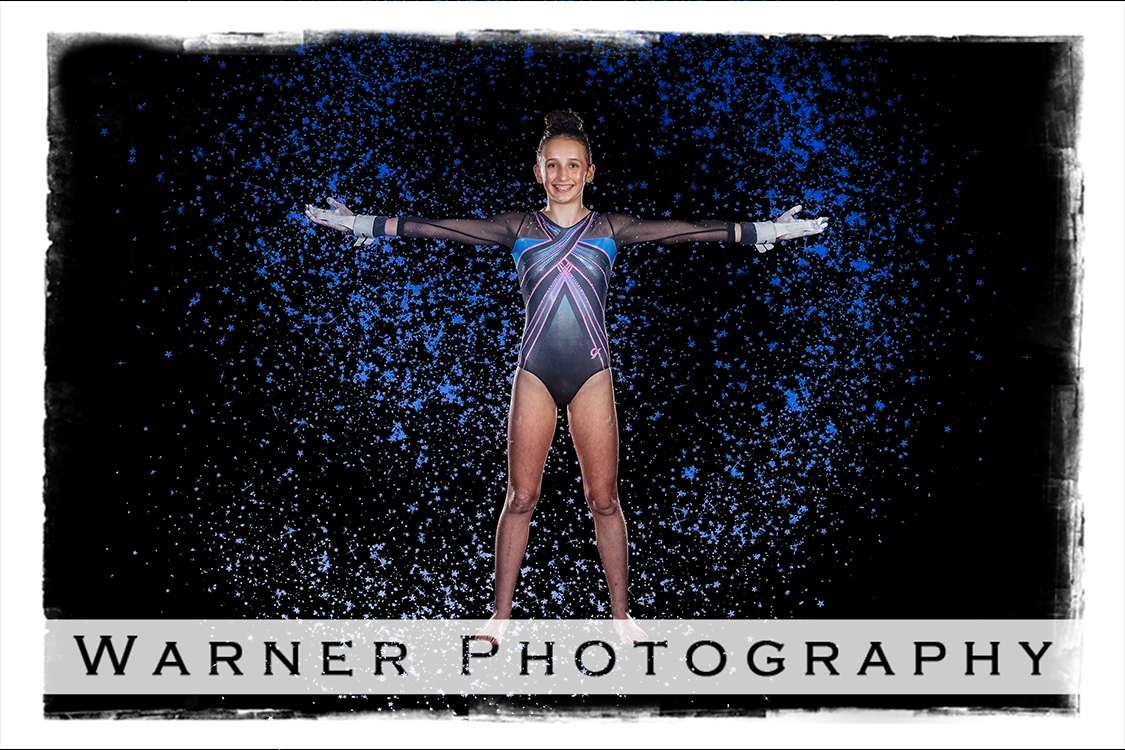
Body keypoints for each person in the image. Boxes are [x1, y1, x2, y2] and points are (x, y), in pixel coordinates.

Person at [306, 111, 828, 644]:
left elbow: (686, 231)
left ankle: (622, 619)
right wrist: (361, 224)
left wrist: (765, 231)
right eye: (552, 165)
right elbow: (439, 228)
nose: (562, 174)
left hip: (591, 375)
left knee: (604, 500)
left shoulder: (608, 228)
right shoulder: (518, 228)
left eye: (572, 165)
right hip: (534, 374)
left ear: (589, 171)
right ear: (538, 171)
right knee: (520, 497)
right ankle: (499, 619)